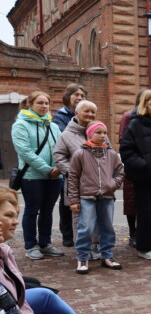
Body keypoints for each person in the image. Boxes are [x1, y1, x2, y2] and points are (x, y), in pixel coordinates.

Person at [12, 91, 64, 260]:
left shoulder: (53, 126)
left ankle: (45, 243)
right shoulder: (20, 125)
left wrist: (58, 168)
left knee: (47, 211)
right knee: (32, 211)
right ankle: (30, 245)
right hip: (32, 176)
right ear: (30, 105)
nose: (44, 106)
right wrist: (47, 169)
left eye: (46, 103)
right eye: (40, 103)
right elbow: (25, 152)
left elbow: (61, 149)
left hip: (55, 176)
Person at [66, 122, 124, 273]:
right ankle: (82, 257)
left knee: (107, 228)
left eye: (105, 132)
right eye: (98, 132)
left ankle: (107, 256)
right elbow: (73, 177)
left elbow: (120, 171)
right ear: (90, 134)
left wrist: (112, 185)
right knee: (85, 228)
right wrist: (74, 200)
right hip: (87, 197)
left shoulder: (111, 154)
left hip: (107, 197)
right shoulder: (80, 154)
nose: (103, 135)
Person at [54, 100, 99, 259]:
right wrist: (74, 173)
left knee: (97, 216)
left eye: (93, 112)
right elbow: (59, 157)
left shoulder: (99, 131)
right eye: (87, 111)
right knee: (80, 218)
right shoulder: (66, 135)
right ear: (76, 113)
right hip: (77, 183)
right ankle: (83, 249)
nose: (90, 114)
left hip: (97, 183)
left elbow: (109, 153)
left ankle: (95, 246)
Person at [53, 84, 87, 247]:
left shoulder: (87, 114)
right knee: (67, 202)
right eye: (76, 94)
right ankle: (67, 234)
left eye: (82, 95)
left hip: (86, 166)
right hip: (69, 165)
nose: (79, 97)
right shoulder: (60, 116)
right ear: (68, 97)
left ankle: (84, 233)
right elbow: (63, 140)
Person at [118, 90, 144, 249]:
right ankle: (133, 233)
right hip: (133, 165)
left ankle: (143, 231)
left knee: (145, 202)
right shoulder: (128, 116)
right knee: (131, 201)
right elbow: (123, 140)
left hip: (148, 166)